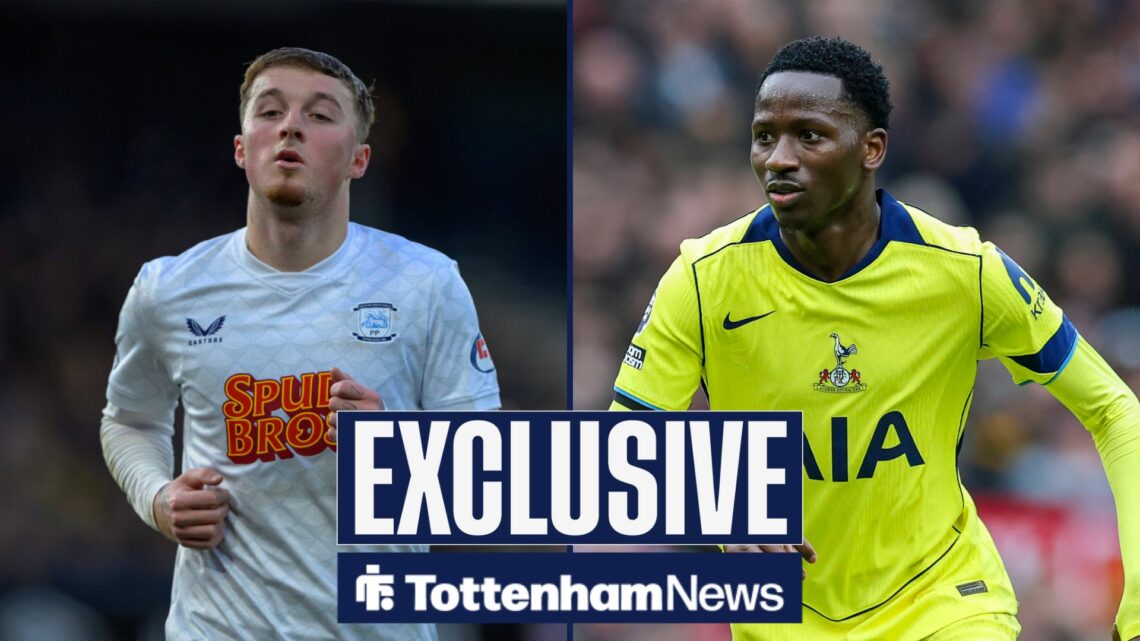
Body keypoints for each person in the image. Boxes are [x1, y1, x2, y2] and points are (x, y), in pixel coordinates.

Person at [610, 36, 1138, 641]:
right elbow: (625, 454)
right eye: (764, 136)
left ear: (871, 148)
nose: (779, 157)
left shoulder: (964, 271)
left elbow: (1115, 411)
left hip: (944, 601)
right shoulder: (703, 280)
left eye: (809, 135)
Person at [101, 47, 501, 640]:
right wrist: (159, 498)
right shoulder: (168, 289)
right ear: (242, 148)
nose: (290, 126)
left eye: (319, 115)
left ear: (358, 160)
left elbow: (486, 468)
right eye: (269, 111)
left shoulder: (426, 284)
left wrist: (396, 450)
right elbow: (129, 421)